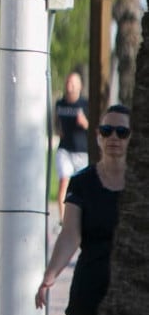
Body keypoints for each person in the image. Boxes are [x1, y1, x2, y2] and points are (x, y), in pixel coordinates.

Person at [37, 104, 129, 315]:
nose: (114, 138)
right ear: (98, 137)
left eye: (122, 132)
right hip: (91, 290)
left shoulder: (141, 184)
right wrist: (49, 277)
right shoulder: (82, 183)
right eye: (107, 131)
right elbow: (70, 234)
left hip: (133, 292)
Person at [54, 70, 90, 210]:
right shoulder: (60, 103)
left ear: (80, 86)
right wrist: (58, 131)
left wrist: (84, 123)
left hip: (82, 151)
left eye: (73, 83)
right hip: (65, 149)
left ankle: (82, 220)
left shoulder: (85, 104)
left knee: (82, 186)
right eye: (68, 82)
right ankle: (62, 220)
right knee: (64, 181)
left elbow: (94, 127)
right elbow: (56, 122)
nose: (70, 86)